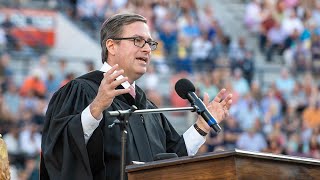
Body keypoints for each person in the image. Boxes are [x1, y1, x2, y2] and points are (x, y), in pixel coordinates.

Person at [40, 13, 232, 180]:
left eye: (149, 43)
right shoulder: (82, 90)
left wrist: (201, 127)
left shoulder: (147, 106)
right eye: (138, 40)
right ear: (112, 46)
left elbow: (174, 158)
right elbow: (58, 149)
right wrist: (95, 109)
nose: (148, 49)